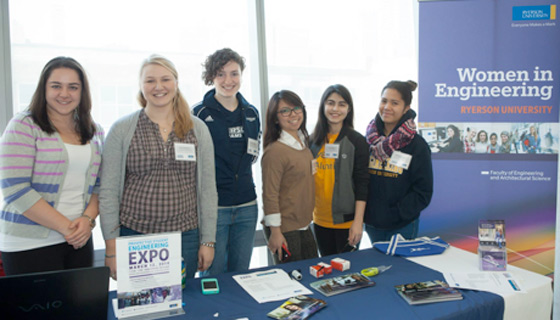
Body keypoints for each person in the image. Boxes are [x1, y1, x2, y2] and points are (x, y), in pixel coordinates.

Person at [99, 55, 217, 279]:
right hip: (135, 236)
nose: (158, 87)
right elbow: (109, 192)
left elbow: (208, 190)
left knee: (185, 306)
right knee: (143, 310)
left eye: (165, 79)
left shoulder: (198, 129)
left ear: (176, 83)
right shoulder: (122, 129)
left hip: (186, 237)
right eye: (150, 81)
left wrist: (208, 241)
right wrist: (112, 248)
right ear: (141, 86)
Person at [0, 57, 103, 275]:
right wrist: (67, 229)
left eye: (73, 87)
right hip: (28, 243)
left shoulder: (94, 130)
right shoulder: (23, 125)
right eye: (56, 86)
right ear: (43, 88)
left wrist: (86, 221)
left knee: (81, 309)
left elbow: (100, 186)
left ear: (82, 92)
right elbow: (15, 189)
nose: (64, 94)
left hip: (79, 239)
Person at [192, 48, 260, 275]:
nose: (228, 80)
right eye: (221, 74)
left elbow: (253, 154)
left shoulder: (251, 112)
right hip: (215, 208)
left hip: (247, 205)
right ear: (211, 77)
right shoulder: (198, 114)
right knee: (213, 273)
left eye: (234, 73)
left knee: (241, 274)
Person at [364, 80, 433, 242]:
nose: (387, 107)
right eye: (384, 101)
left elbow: (423, 192)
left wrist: (397, 213)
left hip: (402, 225)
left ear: (406, 108)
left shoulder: (417, 145)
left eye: (394, 103)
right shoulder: (368, 140)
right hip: (372, 225)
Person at [309, 84, 369, 256]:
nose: (335, 109)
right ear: (323, 106)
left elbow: (362, 184)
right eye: (330, 103)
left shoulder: (357, 141)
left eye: (342, 104)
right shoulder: (312, 141)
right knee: (327, 272)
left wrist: (358, 222)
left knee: (347, 276)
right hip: (319, 220)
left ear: (349, 109)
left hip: (347, 223)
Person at [261, 90, 318, 263]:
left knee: (312, 275)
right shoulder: (275, 151)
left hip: (304, 224)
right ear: (275, 118)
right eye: (285, 111)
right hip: (284, 228)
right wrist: (276, 232)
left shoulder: (303, 143)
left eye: (296, 108)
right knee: (292, 283)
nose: (293, 114)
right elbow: (270, 195)